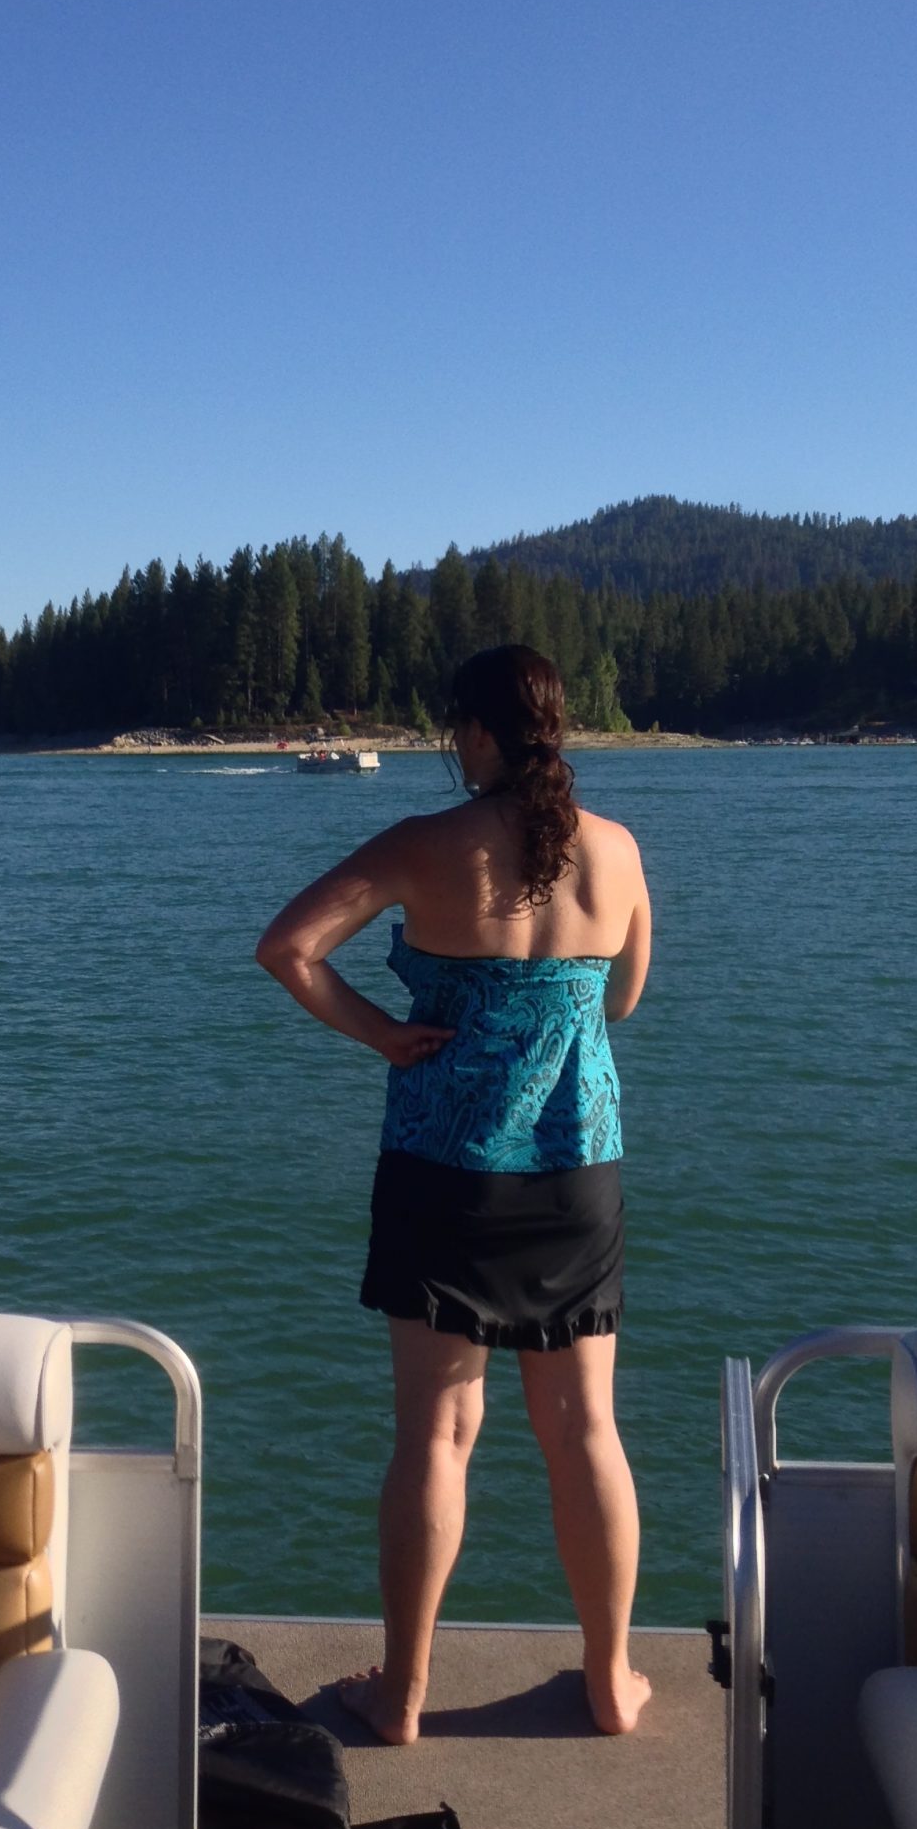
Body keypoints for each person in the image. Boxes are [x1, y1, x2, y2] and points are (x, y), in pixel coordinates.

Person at [255, 643, 652, 1743]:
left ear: (477, 733)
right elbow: (623, 995)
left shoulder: (424, 845)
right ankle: (613, 1680)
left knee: (437, 1431)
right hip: (577, 1169)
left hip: (445, 1165)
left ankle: (403, 1692)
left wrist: (386, 1032)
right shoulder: (615, 850)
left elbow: (287, 949)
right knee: (586, 1431)